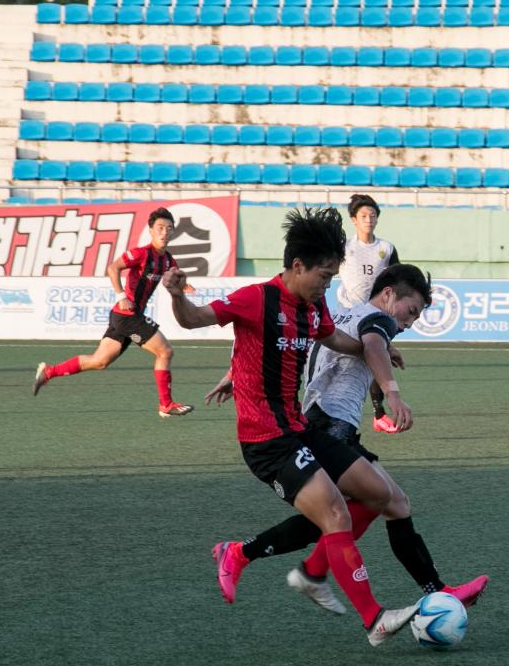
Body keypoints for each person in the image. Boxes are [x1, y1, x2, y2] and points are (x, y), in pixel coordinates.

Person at [161, 206, 420, 647]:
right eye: (323, 275)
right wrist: (175, 295)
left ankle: (249, 555)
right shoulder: (254, 298)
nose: (328, 284)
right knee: (335, 512)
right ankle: (373, 618)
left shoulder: (311, 306)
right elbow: (192, 319)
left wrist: (375, 352)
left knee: (377, 493)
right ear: (297, 266)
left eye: (333, 276)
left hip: (299, 428)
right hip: (266, 440)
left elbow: (336, 340)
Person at [205, 264, 489, 616]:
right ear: (388, 295)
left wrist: (234, 373)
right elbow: (370, 346)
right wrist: (393, 392)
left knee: (391, 503)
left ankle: (434, 588)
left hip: (322, 420)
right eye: (411, 310)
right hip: (329, 424)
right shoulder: (379, 321)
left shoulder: (343, 313)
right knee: (352, 508)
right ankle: (262, 558)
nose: (411, 322)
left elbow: (295, 341)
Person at [33, 207, 194, 417]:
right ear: (151, 231)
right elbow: (112, 268)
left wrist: (183, 286)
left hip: (124, 317)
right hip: (127, 316)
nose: (164, 232)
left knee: (100, 361)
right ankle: (166, 404)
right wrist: (121, 295)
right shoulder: (140, 253)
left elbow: (176, 275)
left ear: (173, 233)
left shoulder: (168, 260)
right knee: (165, 352)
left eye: (169, 228)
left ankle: (49, 372)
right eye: (160, 228)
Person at [336, 193, 402, 435]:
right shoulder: (344, 247)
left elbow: (397, 277)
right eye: (363, 215)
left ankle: (378, 414)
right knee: (343, 363)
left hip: (375, 316)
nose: (369, 219)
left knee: (377, 361)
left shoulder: (386, 248)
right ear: (354, 219)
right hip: (347, 314)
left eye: (372, 215)